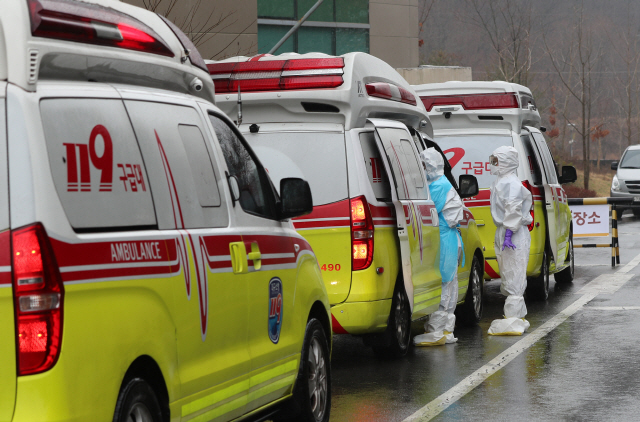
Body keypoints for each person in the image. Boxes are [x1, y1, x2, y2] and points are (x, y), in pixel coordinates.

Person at [414, 148, 465, 346]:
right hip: (451, 239)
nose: (423, 169)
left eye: (424, 165)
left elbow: (425, 211)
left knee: (442, 282)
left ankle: (436, 331)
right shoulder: (445, 183)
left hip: (444, 239)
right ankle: (446, 330)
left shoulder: (436, 187)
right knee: (450, 284)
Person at [487, 145, 533, 335]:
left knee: (514, 272)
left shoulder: (510, 184)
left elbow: (513, 209)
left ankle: (513, 318)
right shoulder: (501, 181)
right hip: (507, 231)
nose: (493, 165)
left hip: (512, 233)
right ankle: (517, 316)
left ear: (506, 162)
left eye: (496, 161)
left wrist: (508, 233)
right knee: (508, 272)